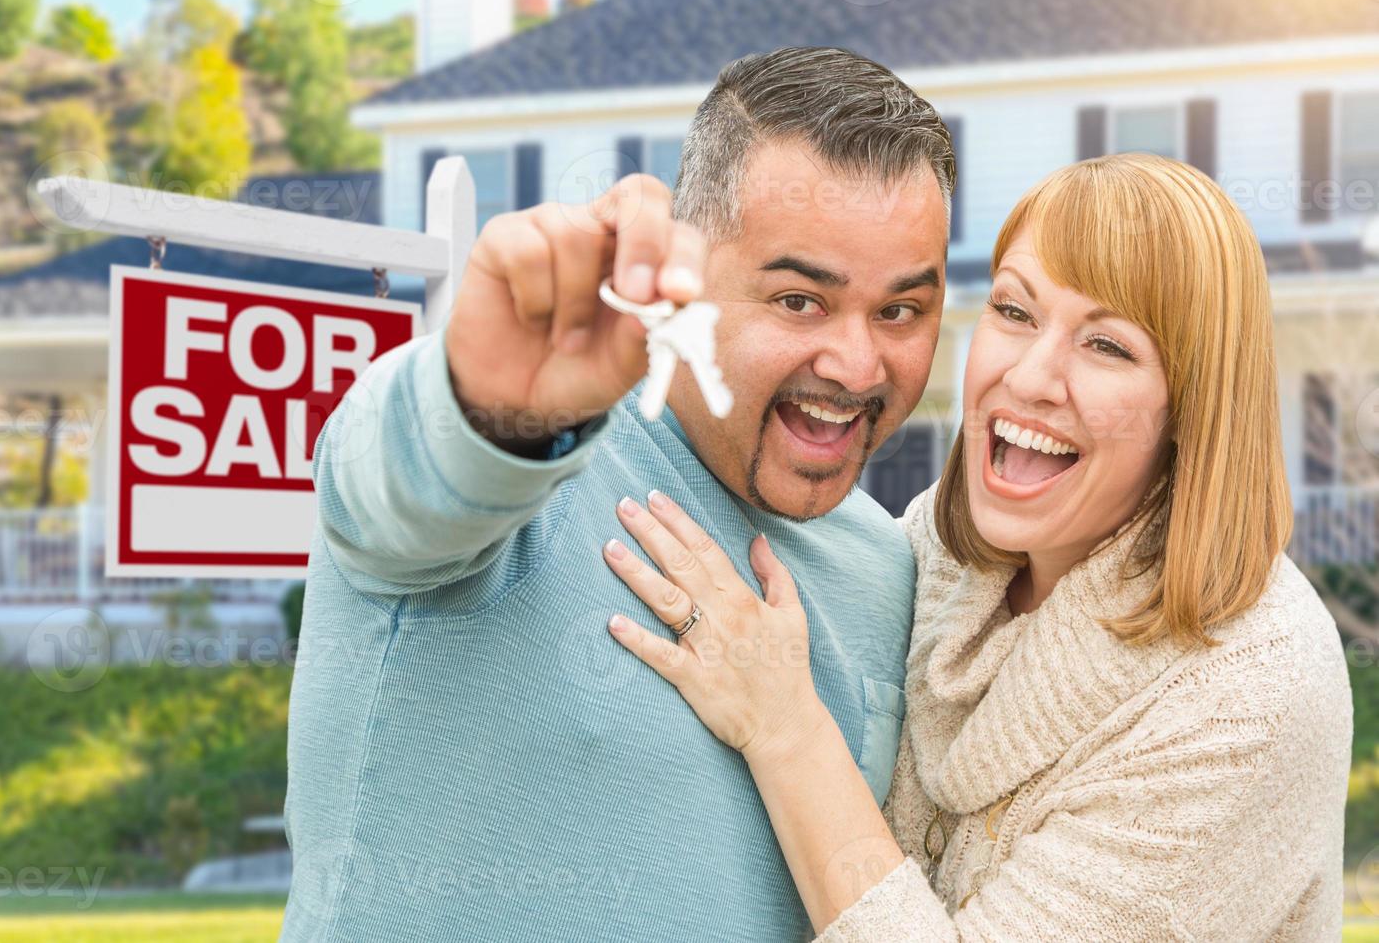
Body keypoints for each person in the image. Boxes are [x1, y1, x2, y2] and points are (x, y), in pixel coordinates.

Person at [281, 47, 956, 942]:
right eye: (798, 301)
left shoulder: (888, 565)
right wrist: (492, 409)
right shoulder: (522, 464)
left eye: (899, 311)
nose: (857, 365)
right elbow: (397, 486)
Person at [600, 153, 1353, 940]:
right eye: (1014, 312)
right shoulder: (943, 550)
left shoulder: (1250, 695)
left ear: (1192, 411)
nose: (1028, 378)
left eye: (1106, 347)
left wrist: (784, 730)